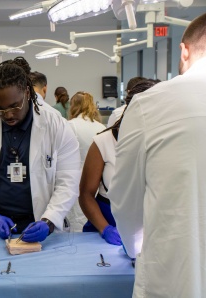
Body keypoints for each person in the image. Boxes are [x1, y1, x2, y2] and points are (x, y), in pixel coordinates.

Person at [109, 13, 206, 297]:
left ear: (184, 49)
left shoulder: (150, 105)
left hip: (172, 278)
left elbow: (125, 199)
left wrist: (133, 246)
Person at [0, 57, 80, 241]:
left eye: (15, 106)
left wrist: (49, 221)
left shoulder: (56, 125)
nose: (8, 114)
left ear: (28, 93)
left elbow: (68, 181)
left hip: (41, 226)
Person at [79, 80, 159, 246]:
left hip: (149, 227)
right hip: (107, 223)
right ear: (129, 109)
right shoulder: (103, 142)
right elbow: (86, 195)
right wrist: (105, 228)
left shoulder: (160, 141)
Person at [66, 91, 106, 232]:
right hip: (97, 184)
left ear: (73, 105)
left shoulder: (70, 126)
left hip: (75, 181)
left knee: (75, 223)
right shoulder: (102, 127)